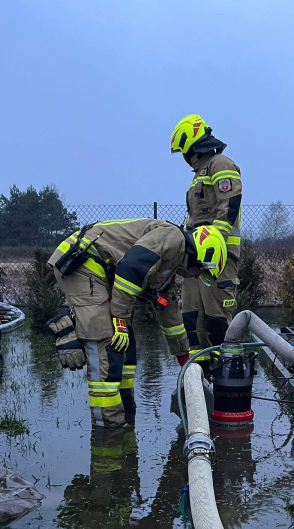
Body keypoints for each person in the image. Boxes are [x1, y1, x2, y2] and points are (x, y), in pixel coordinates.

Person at [47, 218, 227, 428]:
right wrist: (120, 321)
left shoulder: (172, 261)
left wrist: (183, 356)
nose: (195, 275)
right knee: (106, 343)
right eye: (200, 271)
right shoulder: (172, 237)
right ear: (202, 255)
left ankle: (127, 412)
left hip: (99, 270)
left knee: (126, 345)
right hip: (83, 264)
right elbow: (130, 267)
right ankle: (108, 430)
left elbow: (169, 311)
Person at [171, 115, 242, 372]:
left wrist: (217, 242)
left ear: (192, 144)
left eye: (184, 151)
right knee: (191, 319)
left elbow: (229, 204)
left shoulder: (220, 164)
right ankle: (198, 377)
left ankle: (227, 374)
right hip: (195, 257)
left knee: (216, 319)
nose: (184, 157)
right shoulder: (200, 173)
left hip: (218, 257)